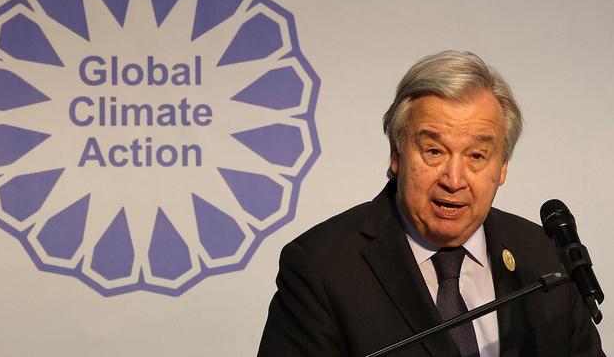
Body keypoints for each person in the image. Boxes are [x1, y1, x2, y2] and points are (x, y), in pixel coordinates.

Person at [257, 51, 604, 356]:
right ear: (396, 155)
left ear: (502, 167)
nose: (453, 180)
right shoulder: (322, 266)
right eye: (434, 151)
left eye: (477, 155)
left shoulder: (543, 258)